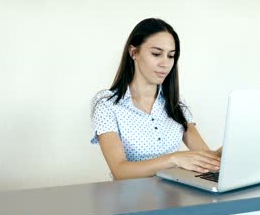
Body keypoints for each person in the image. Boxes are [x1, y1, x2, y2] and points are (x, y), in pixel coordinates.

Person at [91, 18, 221, 180]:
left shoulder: (176, 103)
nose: (165, 63)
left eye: (171, 56)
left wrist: (224, 152)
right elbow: (120, 170)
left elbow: (206, 158)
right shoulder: (107, 104)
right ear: (133, 52)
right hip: (130, 201)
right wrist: (174, 159)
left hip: (175, 196)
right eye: (156, 54)